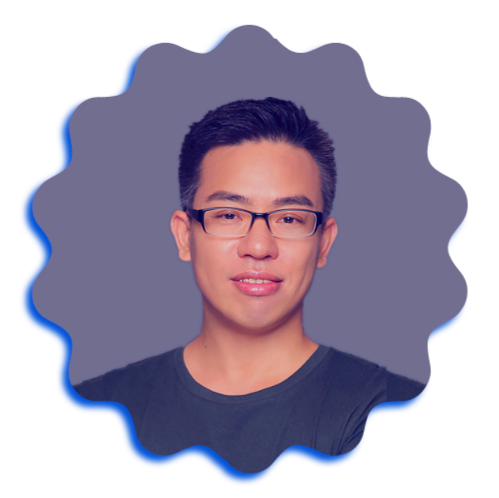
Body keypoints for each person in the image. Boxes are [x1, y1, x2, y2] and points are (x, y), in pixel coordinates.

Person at [73, 97, 426, 473]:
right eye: (229, 215)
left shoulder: (391, 405)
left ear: (323, 243)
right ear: (184, 236)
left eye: (289, 218)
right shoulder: (100, 405)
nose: (258, 247)